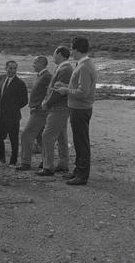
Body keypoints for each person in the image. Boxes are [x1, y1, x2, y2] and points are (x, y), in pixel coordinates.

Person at [54, 37, 97, 185]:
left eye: (72, 49)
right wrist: (65, 85)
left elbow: (83, 92)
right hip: (78, 107)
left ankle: (82, 176)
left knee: (81, 143)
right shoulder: (84, 64)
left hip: (80, 108)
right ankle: (78, 171)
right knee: (79, 142)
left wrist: (66, 90)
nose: (71, 52)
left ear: (77, 49)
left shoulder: (84, 66)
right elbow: (80, 88)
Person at [36, 46, 73, 176]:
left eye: (54, 54)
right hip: (61, 107)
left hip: (59, 108)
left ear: (60, 54)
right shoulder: (63, 68)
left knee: (47, 136)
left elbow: (58, 92)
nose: (53, 56)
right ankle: (63, 164)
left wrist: (47, 103)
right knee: (61, 137)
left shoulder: (65, 69)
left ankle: (48, 166)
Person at [16, 56, 52, 171]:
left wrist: (41, 105)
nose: (33, 65)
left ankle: (25, 162)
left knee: (26, 134)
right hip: (37, 110)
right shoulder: (41, 76)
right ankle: (45, 161)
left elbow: (50, 92)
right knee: (41, 137)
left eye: (35, 62)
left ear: (42, 63)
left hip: (39, 111)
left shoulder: (47, 76)